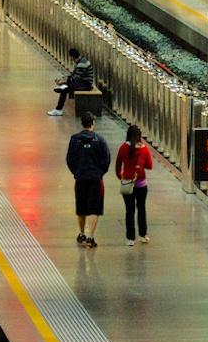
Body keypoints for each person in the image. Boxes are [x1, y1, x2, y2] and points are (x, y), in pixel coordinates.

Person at [65, 113, 110, 248]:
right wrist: (99, 173)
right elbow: (106, 160)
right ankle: (90, 236)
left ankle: (81, 233)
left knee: (81, 206)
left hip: (80, 178)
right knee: (94, 208)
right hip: (96, 179)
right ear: (93, 123)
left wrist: (77, 172)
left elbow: (70, 159)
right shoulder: (100, 140)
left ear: (82, 124)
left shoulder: (74, 139)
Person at [115, 125, 153, 246]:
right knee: (141, 208)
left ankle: (130, 238)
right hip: (142, 185)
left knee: (129, 210)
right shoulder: (144, 149)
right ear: (139, 136)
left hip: (127, 184)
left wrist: (121, 177)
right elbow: (150, 166)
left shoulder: (123, 148)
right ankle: (143, 234)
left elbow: (117, 165)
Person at [48, 49, 94, 117]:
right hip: (83, 83)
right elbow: (74, 76)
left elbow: (76, 78)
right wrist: (63, 79)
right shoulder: (81, 61)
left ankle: (58, 110)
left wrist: (64, 82)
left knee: (64, 89)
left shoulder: (81, 64)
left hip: (86, 85)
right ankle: (58, 106)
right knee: (65, 87)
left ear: (72, 57)